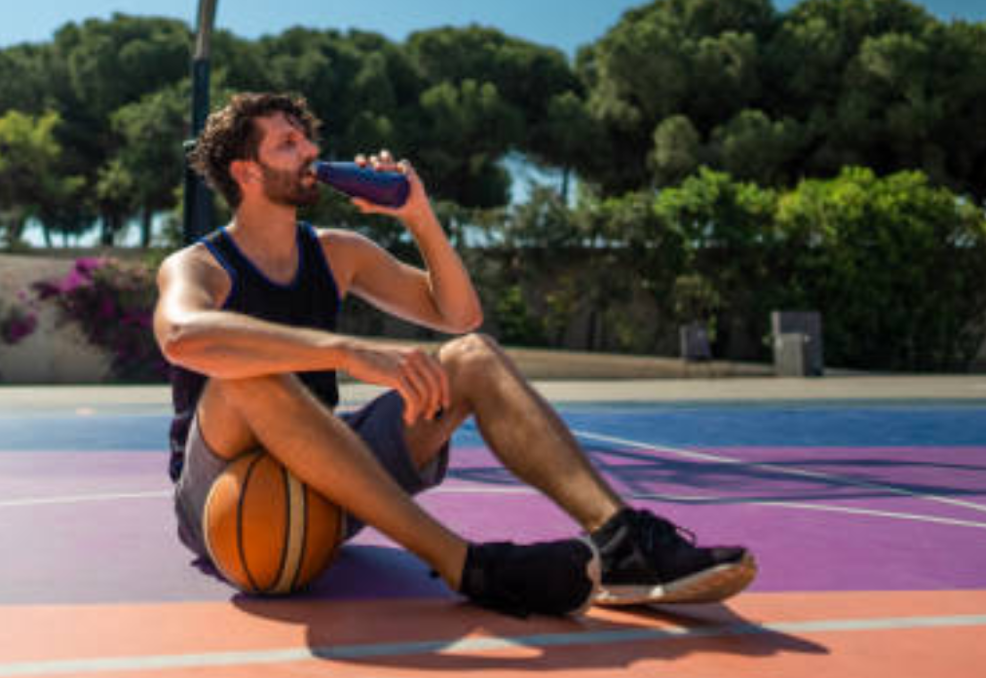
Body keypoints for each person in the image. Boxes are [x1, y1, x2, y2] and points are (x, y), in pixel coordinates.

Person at [154, 92, 755, 617]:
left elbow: (458, 315)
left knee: (474, 356)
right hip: (219, 496)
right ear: (246, 171)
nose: (310, 149)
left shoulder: (336, 253)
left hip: (325, 479)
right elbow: (183, 335)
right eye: (287, 143)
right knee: (249, 376)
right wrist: (350, 352)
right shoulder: (199, 266)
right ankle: (471, 566)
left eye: (308, 137)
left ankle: (622, 542)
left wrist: (419, 216)